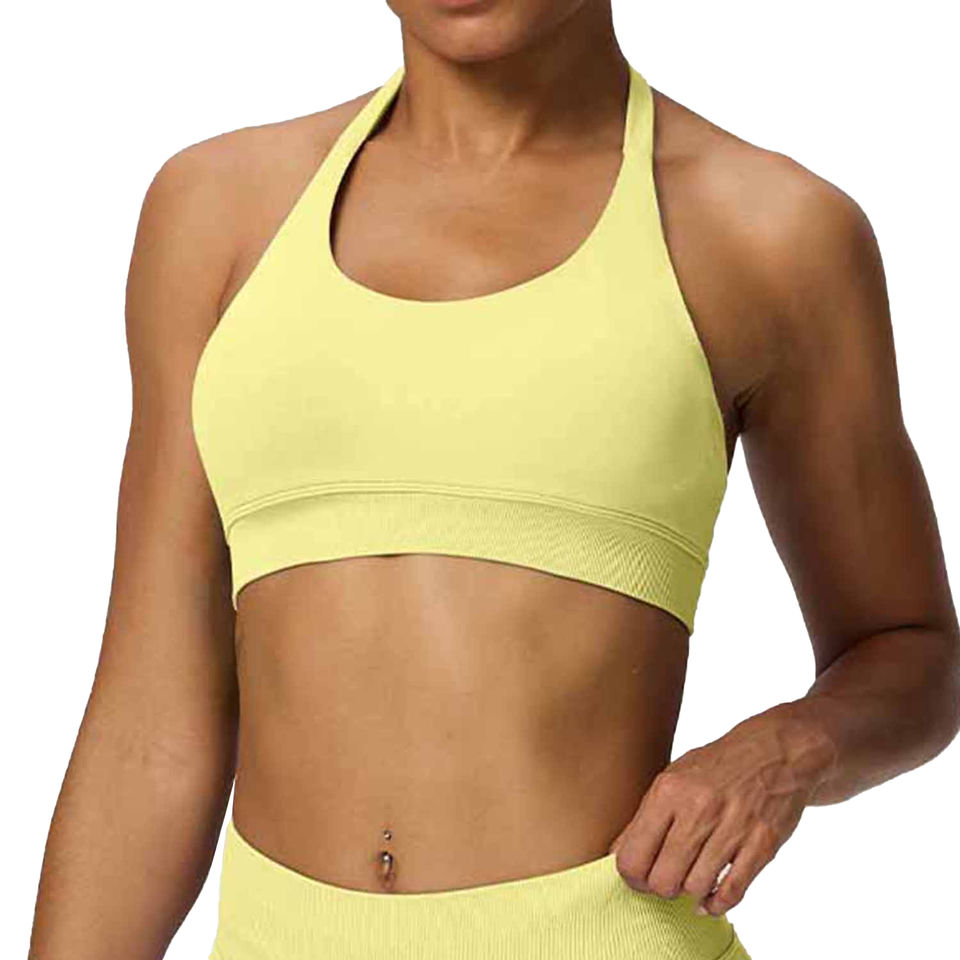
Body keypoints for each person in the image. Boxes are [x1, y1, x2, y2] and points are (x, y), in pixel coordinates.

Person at [28, 1, 959, 958]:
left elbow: (912, 649)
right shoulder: (217, 211)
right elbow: (149, 727)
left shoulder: (768, 231)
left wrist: (788, 749)